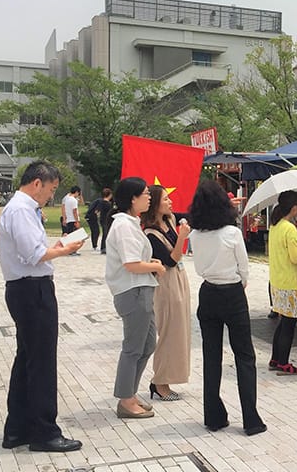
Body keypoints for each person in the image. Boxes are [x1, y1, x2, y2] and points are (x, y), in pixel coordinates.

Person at [0, 161, 84, 452]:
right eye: (51, 189)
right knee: (42, 363)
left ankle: (18, 429)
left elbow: (34, 248)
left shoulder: (22, 208)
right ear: (37, 183)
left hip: (25, 289)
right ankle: (44, 432)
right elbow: (34, 255)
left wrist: (57, 245)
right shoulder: (22, 209)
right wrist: (65, 250)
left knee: (28, 359)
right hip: (32, 290)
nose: (51, 196)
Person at [188, 180, 267, 436]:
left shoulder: (194, 235)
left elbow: (199, 267)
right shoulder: (231, 233)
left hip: (208, 291)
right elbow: (243, 267)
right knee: (244, 356)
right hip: (232, 293)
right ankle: (251, 420)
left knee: (212, 357)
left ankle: (213, 416)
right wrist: (241, 281)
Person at [105, 177, 166, 419]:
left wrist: (151, 264)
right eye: (145, 194)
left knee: (148, 343)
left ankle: (130, 392)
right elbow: (131, 264)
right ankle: (125, 398)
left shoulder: (131, 223)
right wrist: (156, 268)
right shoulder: (123, 225)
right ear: (132, 198)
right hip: (133, 291)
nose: (149, 197)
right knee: (132, 348)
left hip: (142, 289)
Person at [142, 184, 192, 401]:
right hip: (166, 284)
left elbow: (193, 215)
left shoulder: (169, 220)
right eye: (165, 199)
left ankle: (168, 379)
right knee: (168, 333)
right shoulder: (150, 234)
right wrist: (182, 237)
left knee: (180, 332)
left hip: (180, 280)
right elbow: (171, 260)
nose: (170, 202)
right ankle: (159, 381)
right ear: (155, 204)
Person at [268, 190, 297, 375]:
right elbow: (296, 258)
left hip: (277, 281)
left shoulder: (275, 225)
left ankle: (276, 358)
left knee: (283, 322)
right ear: (295, 208)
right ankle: (284, 363)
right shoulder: (289, 229)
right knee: (289, 325)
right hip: (290, 283)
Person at [98, 187, 113, 254]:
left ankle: (103, 247)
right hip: (106, 220)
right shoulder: (107, 204)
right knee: (106, 233)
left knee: (105, 233)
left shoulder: (101, 202)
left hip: (102, 219)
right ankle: (104, 247)